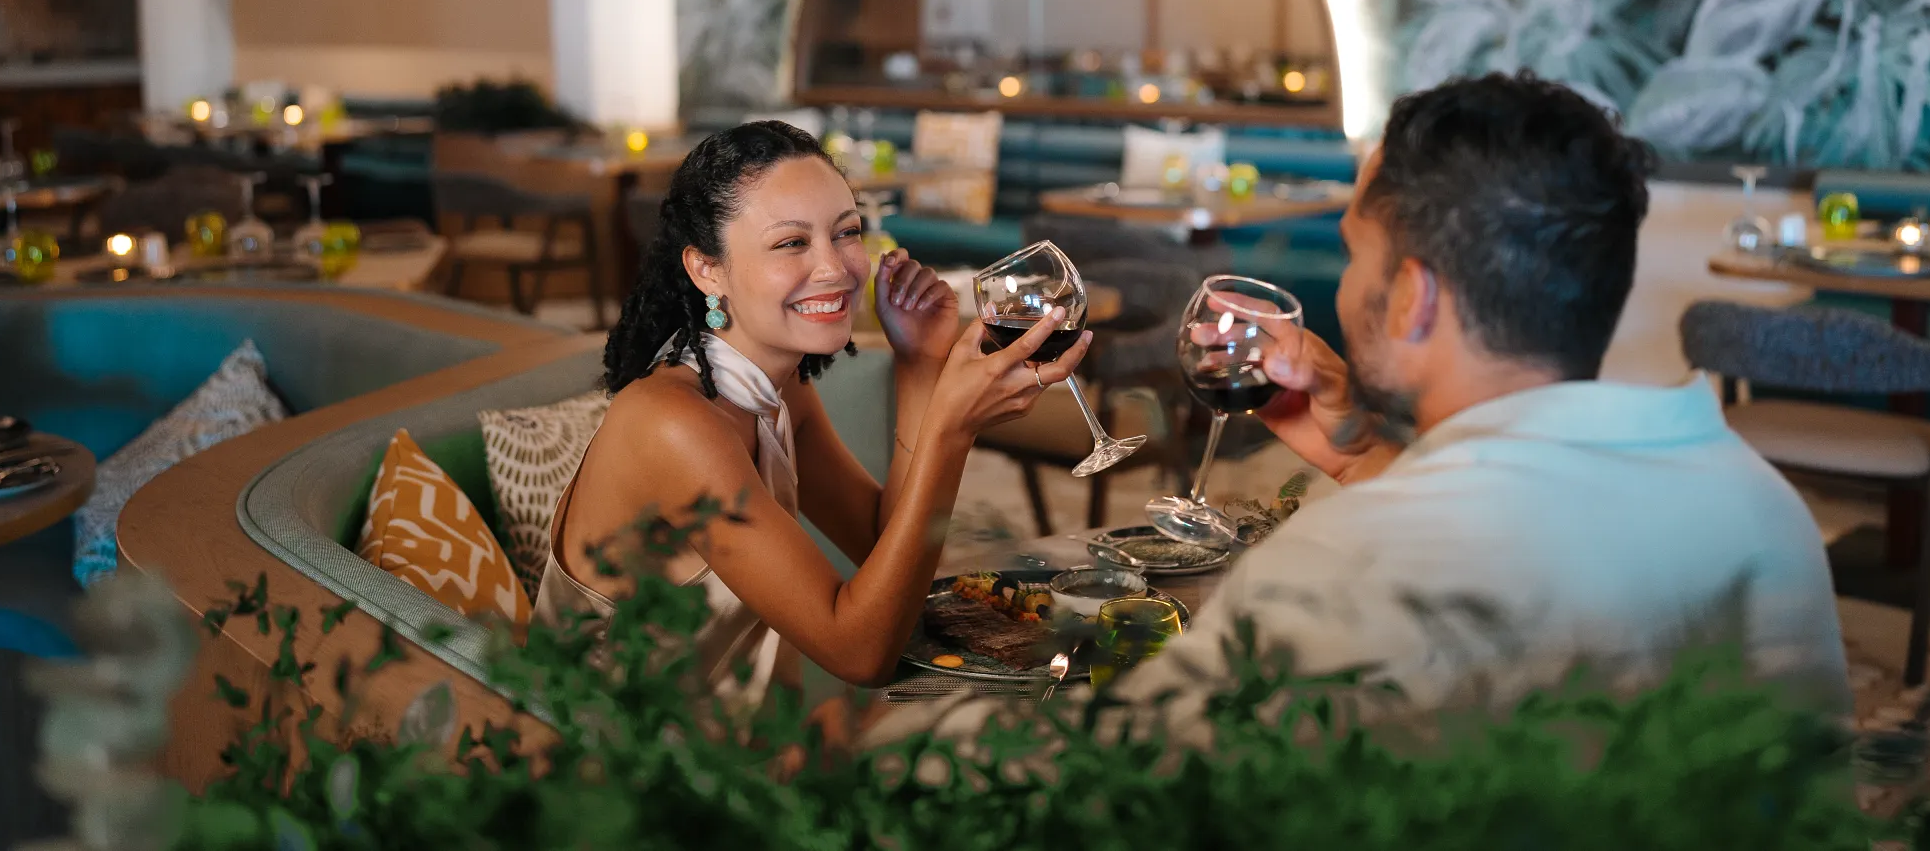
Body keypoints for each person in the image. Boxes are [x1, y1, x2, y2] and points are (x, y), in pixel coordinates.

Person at [878, 73, 1850, 744]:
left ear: (1414, 295)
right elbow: (1529, 512)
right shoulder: (1760, 504)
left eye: (1354, 252)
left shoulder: (1343, 567)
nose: (1344, 288)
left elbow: (1121, 779)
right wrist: (1358, 452)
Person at [536, 120, 1092, 698]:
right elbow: (859, 654)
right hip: (611, 745)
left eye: (846, 233)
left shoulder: (775, 388)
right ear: (707, 269)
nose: (835, 268)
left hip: (731, 736)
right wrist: (952, 430)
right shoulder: (672, 424)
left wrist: (920, 365)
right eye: (791, 243)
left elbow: (880, 544)